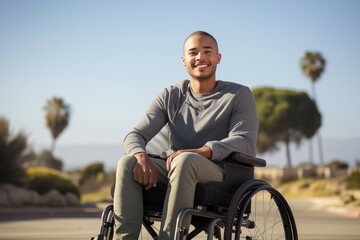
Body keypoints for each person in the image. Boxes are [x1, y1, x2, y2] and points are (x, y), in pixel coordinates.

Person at [113, 31, 258, 240]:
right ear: (184, 60)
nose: (200, 57)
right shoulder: (171, 95)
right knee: (127, 163)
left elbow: (244, 141)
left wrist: (202, 151)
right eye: (193, 52)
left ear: (218, 58)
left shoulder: (239, 95)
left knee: (185, 160)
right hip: (175, 165)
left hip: (220, 171)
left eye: (207, 51)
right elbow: (135, 134)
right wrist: (140, 155)